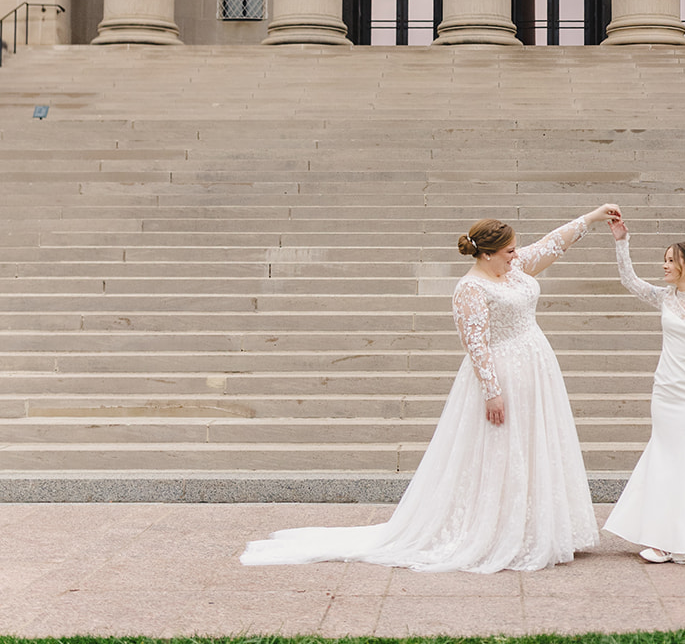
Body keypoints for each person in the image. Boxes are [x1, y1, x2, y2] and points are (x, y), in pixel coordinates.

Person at [241, 204, 620, 574]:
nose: (516, 255)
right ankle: (499, 530)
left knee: (535, 444)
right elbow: (476, 344)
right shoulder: (470, 288)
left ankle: (537, 526)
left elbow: (552, 244)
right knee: (504, 450)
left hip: (536, 368)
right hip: (503, 372)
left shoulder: (514, 269)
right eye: (508, 251)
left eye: (515, 249)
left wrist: (591, 218)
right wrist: (492, 390)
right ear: (487, 255)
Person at [603, 213, 685, 564]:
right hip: (666, 390)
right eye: (665, 260)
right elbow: (629, 280)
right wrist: (621, 241)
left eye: (670, 261)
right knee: (662, 459)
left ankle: (684, 541)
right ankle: (659, 540)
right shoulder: (665, 297)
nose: (664, 266)